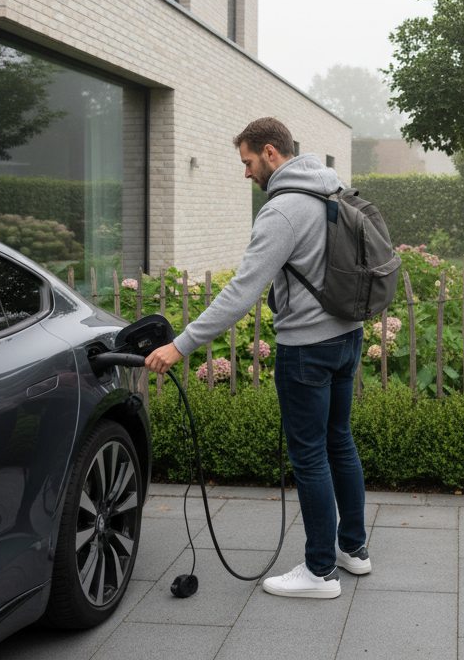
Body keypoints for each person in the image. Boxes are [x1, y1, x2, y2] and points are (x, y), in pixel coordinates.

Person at [145, 117, 371, 599]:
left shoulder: (283, 210)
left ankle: (320, 572)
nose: (245, 173)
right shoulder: (334, 190)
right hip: (347, 337)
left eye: (247, 161)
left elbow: (241, 292)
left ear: (271, 153)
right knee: (339, 443)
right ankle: (354, 550)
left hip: (307, 348)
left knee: (309, 456)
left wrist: (179, 344)